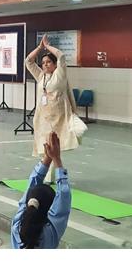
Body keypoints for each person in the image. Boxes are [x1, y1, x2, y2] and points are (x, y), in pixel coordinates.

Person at [25, 34, 79, 182]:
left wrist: (48, 47)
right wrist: (39, 48)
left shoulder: (60, 75)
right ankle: (46, 174)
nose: (45, 65)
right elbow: (28, 61)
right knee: (44, 146)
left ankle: (50, 176)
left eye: (49, 62)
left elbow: (61, 56)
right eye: (43, 63)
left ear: (55, 65)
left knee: (53, 146)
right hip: (43, 117)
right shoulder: (41, 76)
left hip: (58, 118)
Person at [11, 132, 71, 249]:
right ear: (50, 208)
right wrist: (56, 158)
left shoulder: (17, 226)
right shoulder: (51, 231)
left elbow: (63, 196)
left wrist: (48, 159)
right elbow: (64, 198)